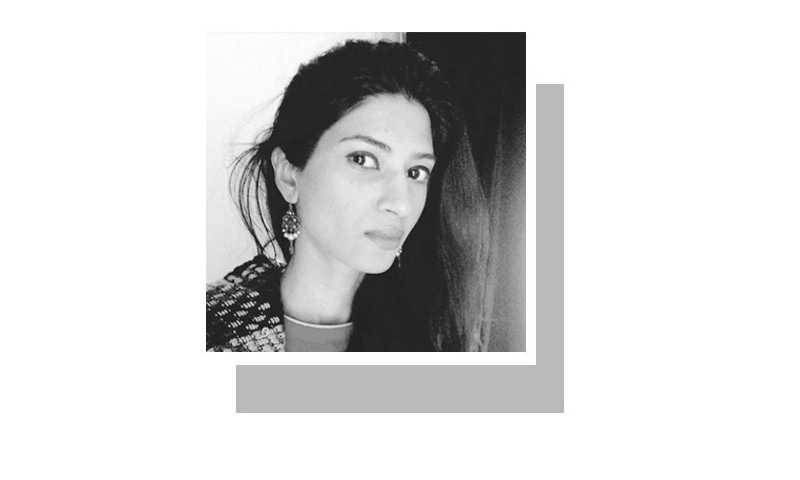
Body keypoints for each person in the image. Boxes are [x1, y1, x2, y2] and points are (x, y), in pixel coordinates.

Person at [207, 39, 492, 352]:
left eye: (416, 172)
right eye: (363, 159)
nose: (401, 204)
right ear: (289, 175)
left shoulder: (435, 338)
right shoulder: (211, 333)